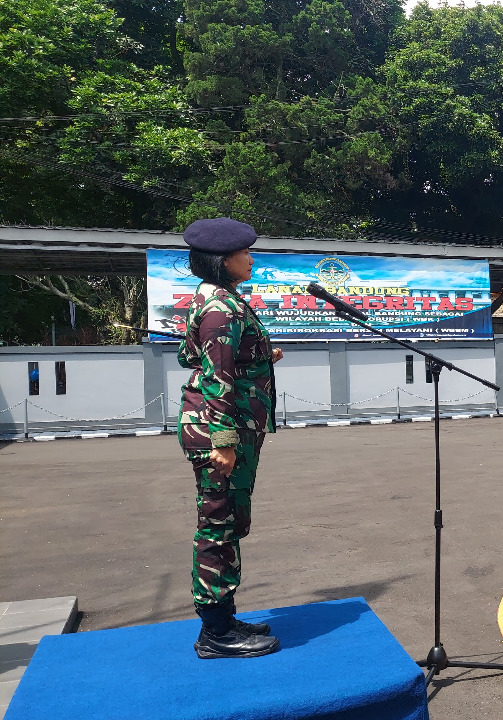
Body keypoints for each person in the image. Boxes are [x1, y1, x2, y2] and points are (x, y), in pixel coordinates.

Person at [177, 217, 284, 660]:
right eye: (245, 254)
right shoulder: (222, 308)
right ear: (224, 261)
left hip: (231, 430)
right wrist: (222, 439)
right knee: (218, 528)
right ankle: (216, 633)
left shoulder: (218, 300)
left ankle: (225, 616)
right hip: (222, 433)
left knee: (229, 523)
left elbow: (191, 355)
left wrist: (261, 355)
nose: (251, 259)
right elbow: (216, 377)